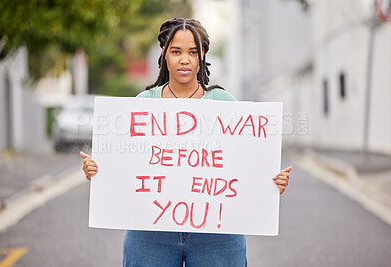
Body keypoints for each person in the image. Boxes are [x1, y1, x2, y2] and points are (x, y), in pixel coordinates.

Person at [80, 18, 292, 267]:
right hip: (150, 233)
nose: (184, 59)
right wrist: (99, 170)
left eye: (193, 52)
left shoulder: (223, 103)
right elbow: (126, 166)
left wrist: (269, 182)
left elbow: (246, 162)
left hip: (217, 234)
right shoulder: (142, 104)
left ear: (202, 56)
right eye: (176, 51)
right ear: (164, 55)